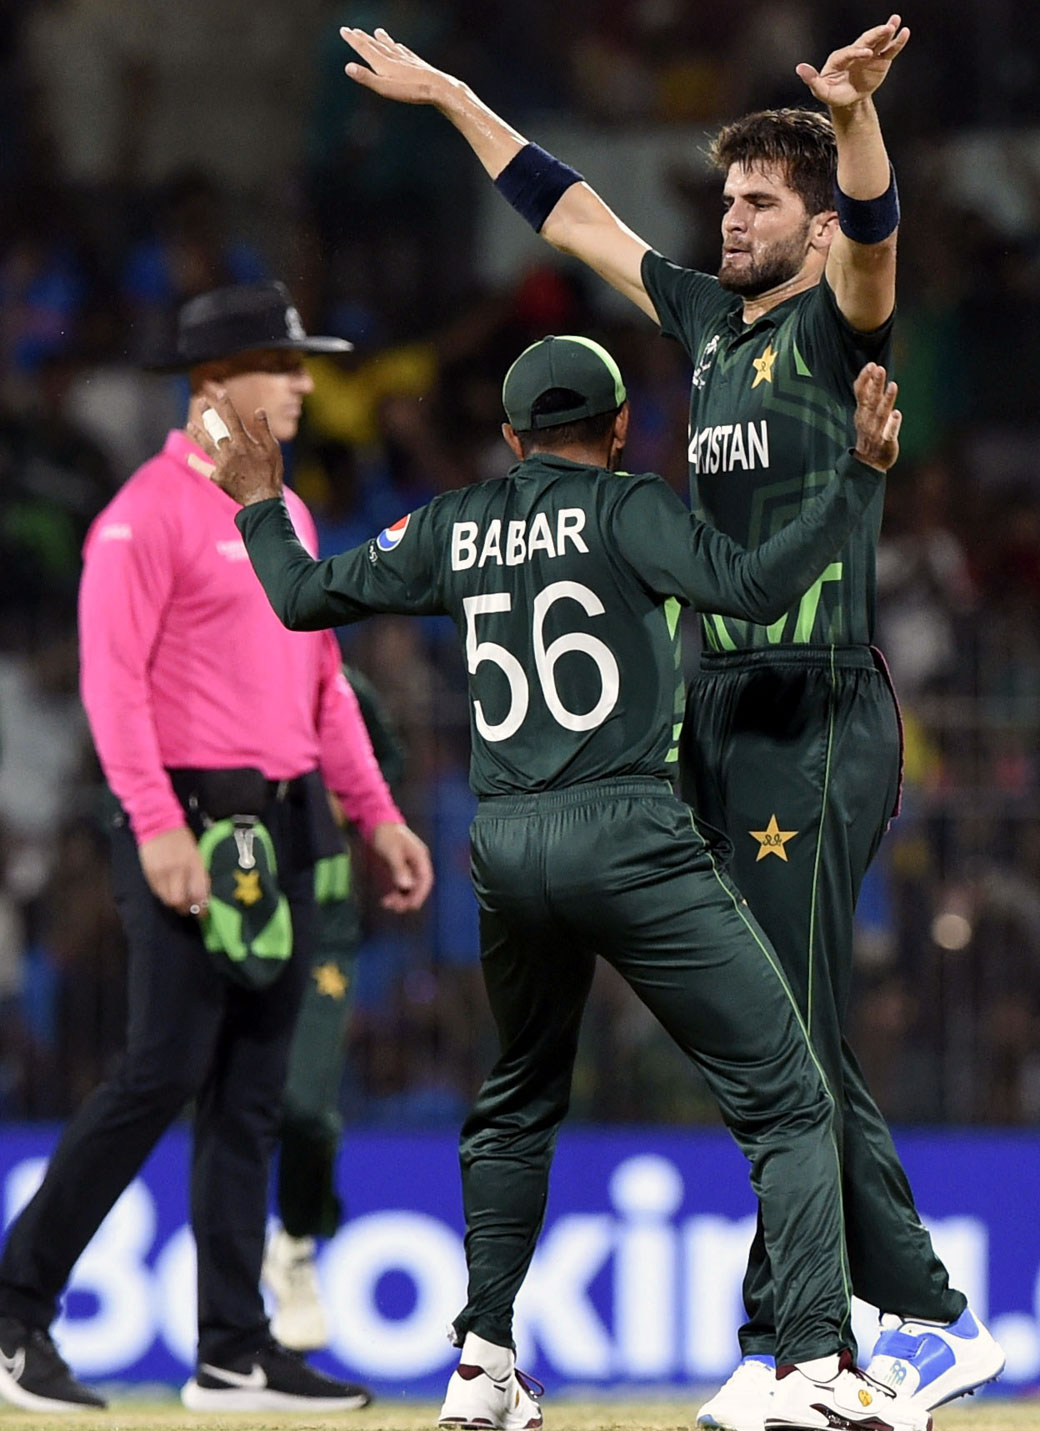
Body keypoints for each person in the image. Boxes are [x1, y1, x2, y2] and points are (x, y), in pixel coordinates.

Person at [337, 16, 1004, 1430]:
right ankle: (811, 1334)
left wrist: (859, 114)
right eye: (728, 200)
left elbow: (882, 224)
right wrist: (456, 95)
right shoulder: (706, 323)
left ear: (815, 232)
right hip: (714, 712)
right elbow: (571, 212)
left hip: (812, 703)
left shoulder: (839, 319)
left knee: (797, 1032)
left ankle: (916, 1324)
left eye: (762, 202)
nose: (732, 218)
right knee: (764, 1038)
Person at [194, 337, 929, 1431]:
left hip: (507, 845)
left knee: (518, 1097)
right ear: (623, 426)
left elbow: (301, 598)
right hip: (630, 831)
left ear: (509, 439)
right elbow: (761, 583)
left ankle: (483, 1361)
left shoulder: (452, 521)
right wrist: (858, 478)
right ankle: (814, 1364)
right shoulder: (631, 509)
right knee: (789, 1091)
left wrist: (259, 502)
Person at [0, 280, 433, 1415]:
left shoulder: (281, 516)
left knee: (249, 1092)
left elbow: (325, 682)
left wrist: (375, 812)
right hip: (193, 819)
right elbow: (112, 688)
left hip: (285, 817)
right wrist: (154, 826)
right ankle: (13, 1314)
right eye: (281, 367)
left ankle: (233, 1352)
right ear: (213, 385)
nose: (302, 385)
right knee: (158, 1073)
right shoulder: (141, 517)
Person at [263, 664, 408, 1352]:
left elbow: (388, 761)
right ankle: (230, 1302)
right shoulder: (204, 668)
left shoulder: (339, 683)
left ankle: (294, 1244)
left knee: (306, 1106)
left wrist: (348, 802)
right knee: (223, 1102)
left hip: (323, 924)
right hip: (231, 913)